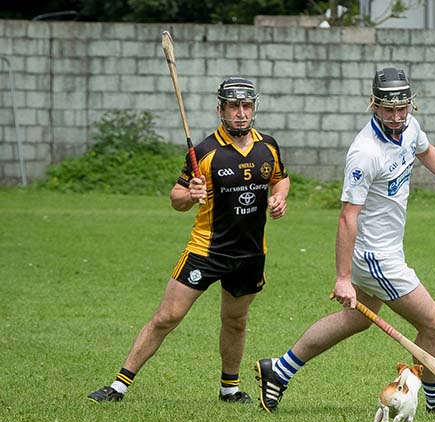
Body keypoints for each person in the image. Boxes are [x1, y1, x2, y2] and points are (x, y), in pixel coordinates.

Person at [254, 67, 435, 416]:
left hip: (386, 249)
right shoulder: (365, 153)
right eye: (388, 109)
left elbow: (426, 151)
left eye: (402, 109)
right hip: (375, 258)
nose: (396, 117)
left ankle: (280, 369)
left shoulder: (409, 128)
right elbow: (347, 216)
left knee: (356, 320)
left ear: (411, 105)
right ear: (373, 105)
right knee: (434, 324)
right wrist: (343, 277)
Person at [87, 77, 290, 403]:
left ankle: (230, 389)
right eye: (233, 106)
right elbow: (177, 197)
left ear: (254, 108)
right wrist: (190, 193)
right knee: (167, 317)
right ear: (220, 108)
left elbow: (280, 179)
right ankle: (119, 385)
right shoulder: (204, 152)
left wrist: (280, 198)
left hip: (250, 253)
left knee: (236, 321)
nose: (240, 113)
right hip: (206, 250)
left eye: (246, 105)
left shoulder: (268, 145)